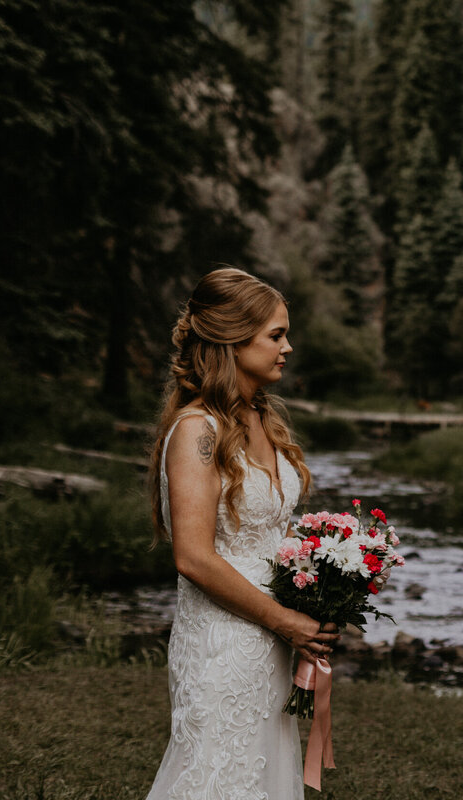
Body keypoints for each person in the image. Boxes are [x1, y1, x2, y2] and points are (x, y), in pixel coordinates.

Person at [145, 267, 339, 799]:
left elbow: (272, 534)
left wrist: (321, 592)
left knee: (261, 775)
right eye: (276, 335)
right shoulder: (195, 431)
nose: (288, 347)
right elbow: (193, 558)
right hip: (224, 639)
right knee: (217, 775)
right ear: (233, 339)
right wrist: (286, 620)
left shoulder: (262, 420)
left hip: (273, 636)